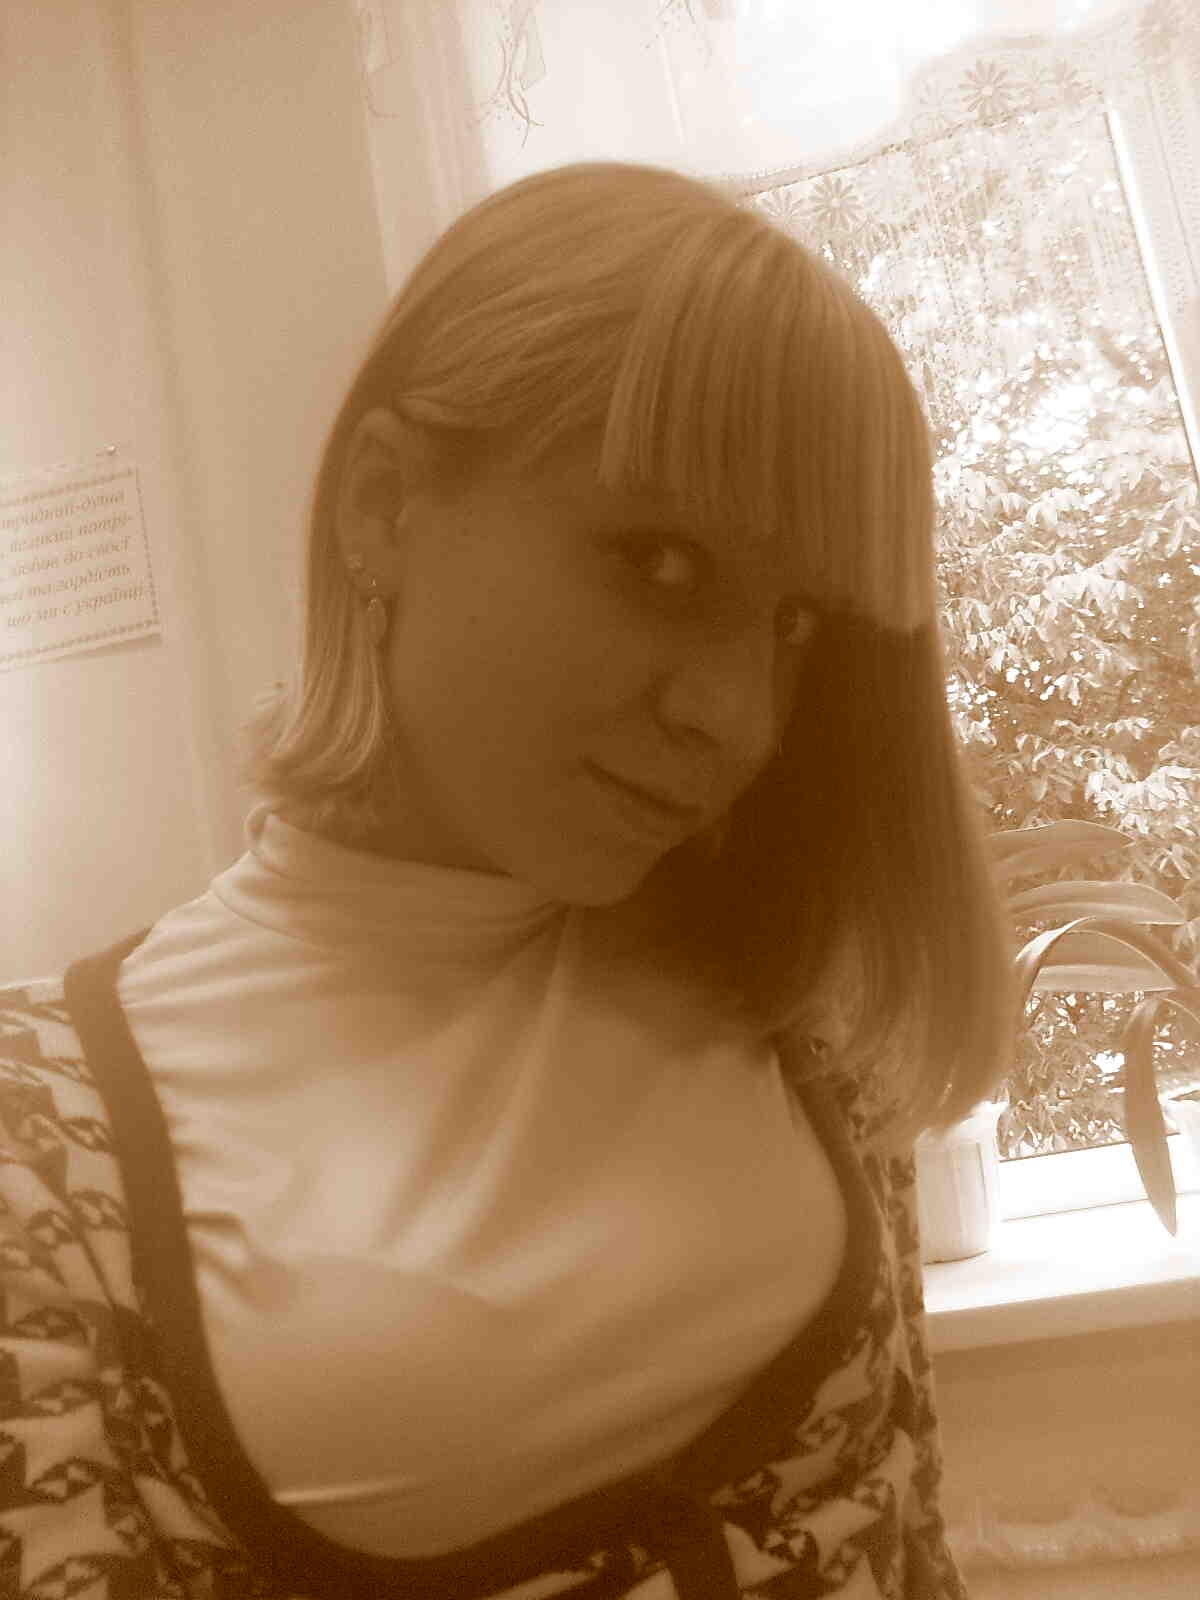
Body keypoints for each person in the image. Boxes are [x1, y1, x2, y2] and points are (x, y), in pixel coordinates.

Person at [0, 161, 1014, 1599]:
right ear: (383, 506)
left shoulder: (795, 1003)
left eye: (794, 622)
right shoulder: (43, 1131)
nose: (737, 716)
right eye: (662, 564)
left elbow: (911, 1546)